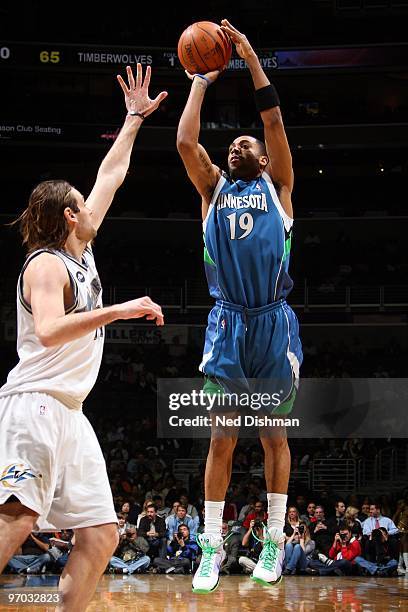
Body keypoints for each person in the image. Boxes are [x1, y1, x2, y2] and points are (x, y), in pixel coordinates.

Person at [0, 64, 167, 612]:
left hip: (71, 413)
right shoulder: (45, 265)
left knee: (101, 534)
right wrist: (119, 309)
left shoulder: (81, 250)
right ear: (72, 216)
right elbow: (47, 331)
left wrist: (133, 119)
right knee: (19, 518)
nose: (93, 206)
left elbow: (112, 172)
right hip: (36, 407)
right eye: (83, 203)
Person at [177, 18, 302, 593]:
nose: (238, 142)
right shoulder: (212, 189)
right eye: (233, 142)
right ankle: (211, 544)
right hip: (227, 323)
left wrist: (249, 57)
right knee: (222, 438)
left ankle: (275, 540)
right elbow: (185, 142)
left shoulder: (279, 189)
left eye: (246, 141)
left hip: (272, 323)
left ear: (264, 156)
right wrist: (200, 79)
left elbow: (272, 117)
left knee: (273, 436)